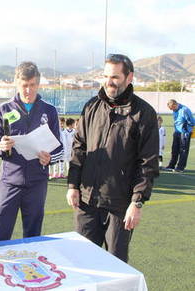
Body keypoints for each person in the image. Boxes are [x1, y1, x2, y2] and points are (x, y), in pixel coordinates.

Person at [66, 54, 159, 262]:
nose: (109, 82)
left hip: (119, 206)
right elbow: (79, 147)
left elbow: (148, 163)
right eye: (106, 76)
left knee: (115, 265)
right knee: (82, 261)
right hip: (87, 201)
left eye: (115, 77)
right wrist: (73, 185)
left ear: (129, 77)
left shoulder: (144, 114)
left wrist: (137, 202)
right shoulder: (91, 106)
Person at [0, 61, 63, 242]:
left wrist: (49, 158)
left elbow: (60, 149)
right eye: (24, 86)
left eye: (32, 85)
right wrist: (2, 146)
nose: (28, 90)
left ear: (38, 84)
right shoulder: (5, 109)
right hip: (10, 181)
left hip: (37, 183)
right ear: (17, 83)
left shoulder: (49, 111)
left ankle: (31, 269)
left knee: (32, 237)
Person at [164, 99, 194, 172]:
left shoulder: (185, 110)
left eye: (172, 108)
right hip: (177, 132)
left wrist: (185, 128)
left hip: (184, 133)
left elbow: (192, 122)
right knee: (174, 149)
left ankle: (180, 167)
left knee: (183, 151)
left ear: (175, 105)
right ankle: (171, 165)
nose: (172, 110)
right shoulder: (174, 110)